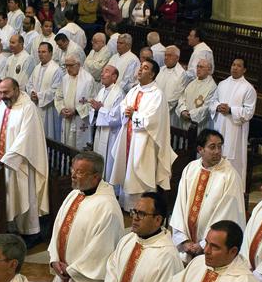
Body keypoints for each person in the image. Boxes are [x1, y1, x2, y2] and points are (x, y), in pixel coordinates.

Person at [48, 151, 124, 282]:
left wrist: (70, 271)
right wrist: (54, 259)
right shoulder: (74, 194)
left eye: (80, 172)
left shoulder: (108, 208)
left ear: (96, 177)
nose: (73, 175)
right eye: (73, 170)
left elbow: (99, 253)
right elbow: (58, 229)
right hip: (62, 273)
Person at [0, 78, 49, 238]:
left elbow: (24, 140)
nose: (2, 96)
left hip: (20, 164)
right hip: (1, 163)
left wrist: (4, 162)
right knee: (7, 198)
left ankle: (29, 234)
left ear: (16, 89)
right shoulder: (1, 106)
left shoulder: (28, 108)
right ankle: (9, 229)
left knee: (24, 197)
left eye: (6, 92)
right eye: (0, 93)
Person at [169, 130, 247, 263]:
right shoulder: (190, 168)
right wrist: (183, 240)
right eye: (212, 147)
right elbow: (179, 207)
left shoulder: (230, 176)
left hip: (213, 248)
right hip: (187, 244)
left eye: (220, 146)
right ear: (200, 149)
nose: (217, 151)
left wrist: (203, 244)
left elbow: (227, 215)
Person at [108, 59, 175, 210]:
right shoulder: (134, 90)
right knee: (127, 170)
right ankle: (126, 205)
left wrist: (134, 115)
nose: (140, 70)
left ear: (152, 74)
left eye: (145, 68)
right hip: (128, 137)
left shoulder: (157, 94)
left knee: (141, 172)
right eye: (140, 67)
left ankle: (142, 208)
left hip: (145, 142)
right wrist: (125, 112)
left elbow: (153, 120)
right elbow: (123, 106)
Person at [210, 57, 256, 183]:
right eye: (233, 64)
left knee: (232, 160)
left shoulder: (248, 88)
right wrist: (218, 106)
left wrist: (231, 110)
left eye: (239, 66)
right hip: (220, 125)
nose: (235, 68)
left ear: (244, 70)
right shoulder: (222, 84)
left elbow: (249, 112)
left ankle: (232, 186)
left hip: (235, 130)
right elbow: (213, 101)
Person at [55, 55, 96, 149]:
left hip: (80, 120)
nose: (68, 69)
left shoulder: (88, 80)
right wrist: (62, 109)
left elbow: (92, 103)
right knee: (66, 146)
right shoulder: (65, 78)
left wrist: (76, 111)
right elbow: (58, 97)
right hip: (67, 119)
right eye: (66, 65)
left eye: (71, 65)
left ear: (78, 64)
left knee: (80, 146)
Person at [90, 65, 124, 175]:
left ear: (114, 77)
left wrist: (100, 109)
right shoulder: (101, 91)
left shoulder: (119, 93)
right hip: (100, 132)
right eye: (102, 71)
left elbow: (116, 118)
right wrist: (95, 110)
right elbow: (95, 111)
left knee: (108, 164)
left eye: (106, 71)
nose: (102, 74)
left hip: (111, 135)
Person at [27, 42, 64, 141]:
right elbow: (29, 84)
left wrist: (38, 96)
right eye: (39, 52)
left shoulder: (56, 70)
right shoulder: (37, 67)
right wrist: (32, 93)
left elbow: (57, 90)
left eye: (43, 52)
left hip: (49, 109)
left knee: (48, 134)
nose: (40, 54)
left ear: (51, 53)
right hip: (36, 106)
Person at [176, 57, 216, 132]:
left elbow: (207, 107)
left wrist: (190, 115)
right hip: (184, 120)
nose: (198, 69)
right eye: (197, 66)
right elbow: (182, 98)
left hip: (200, 124)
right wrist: (183, 110)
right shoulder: (192, 83)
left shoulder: (212, 87)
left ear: (209, 70)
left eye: (201, 67)